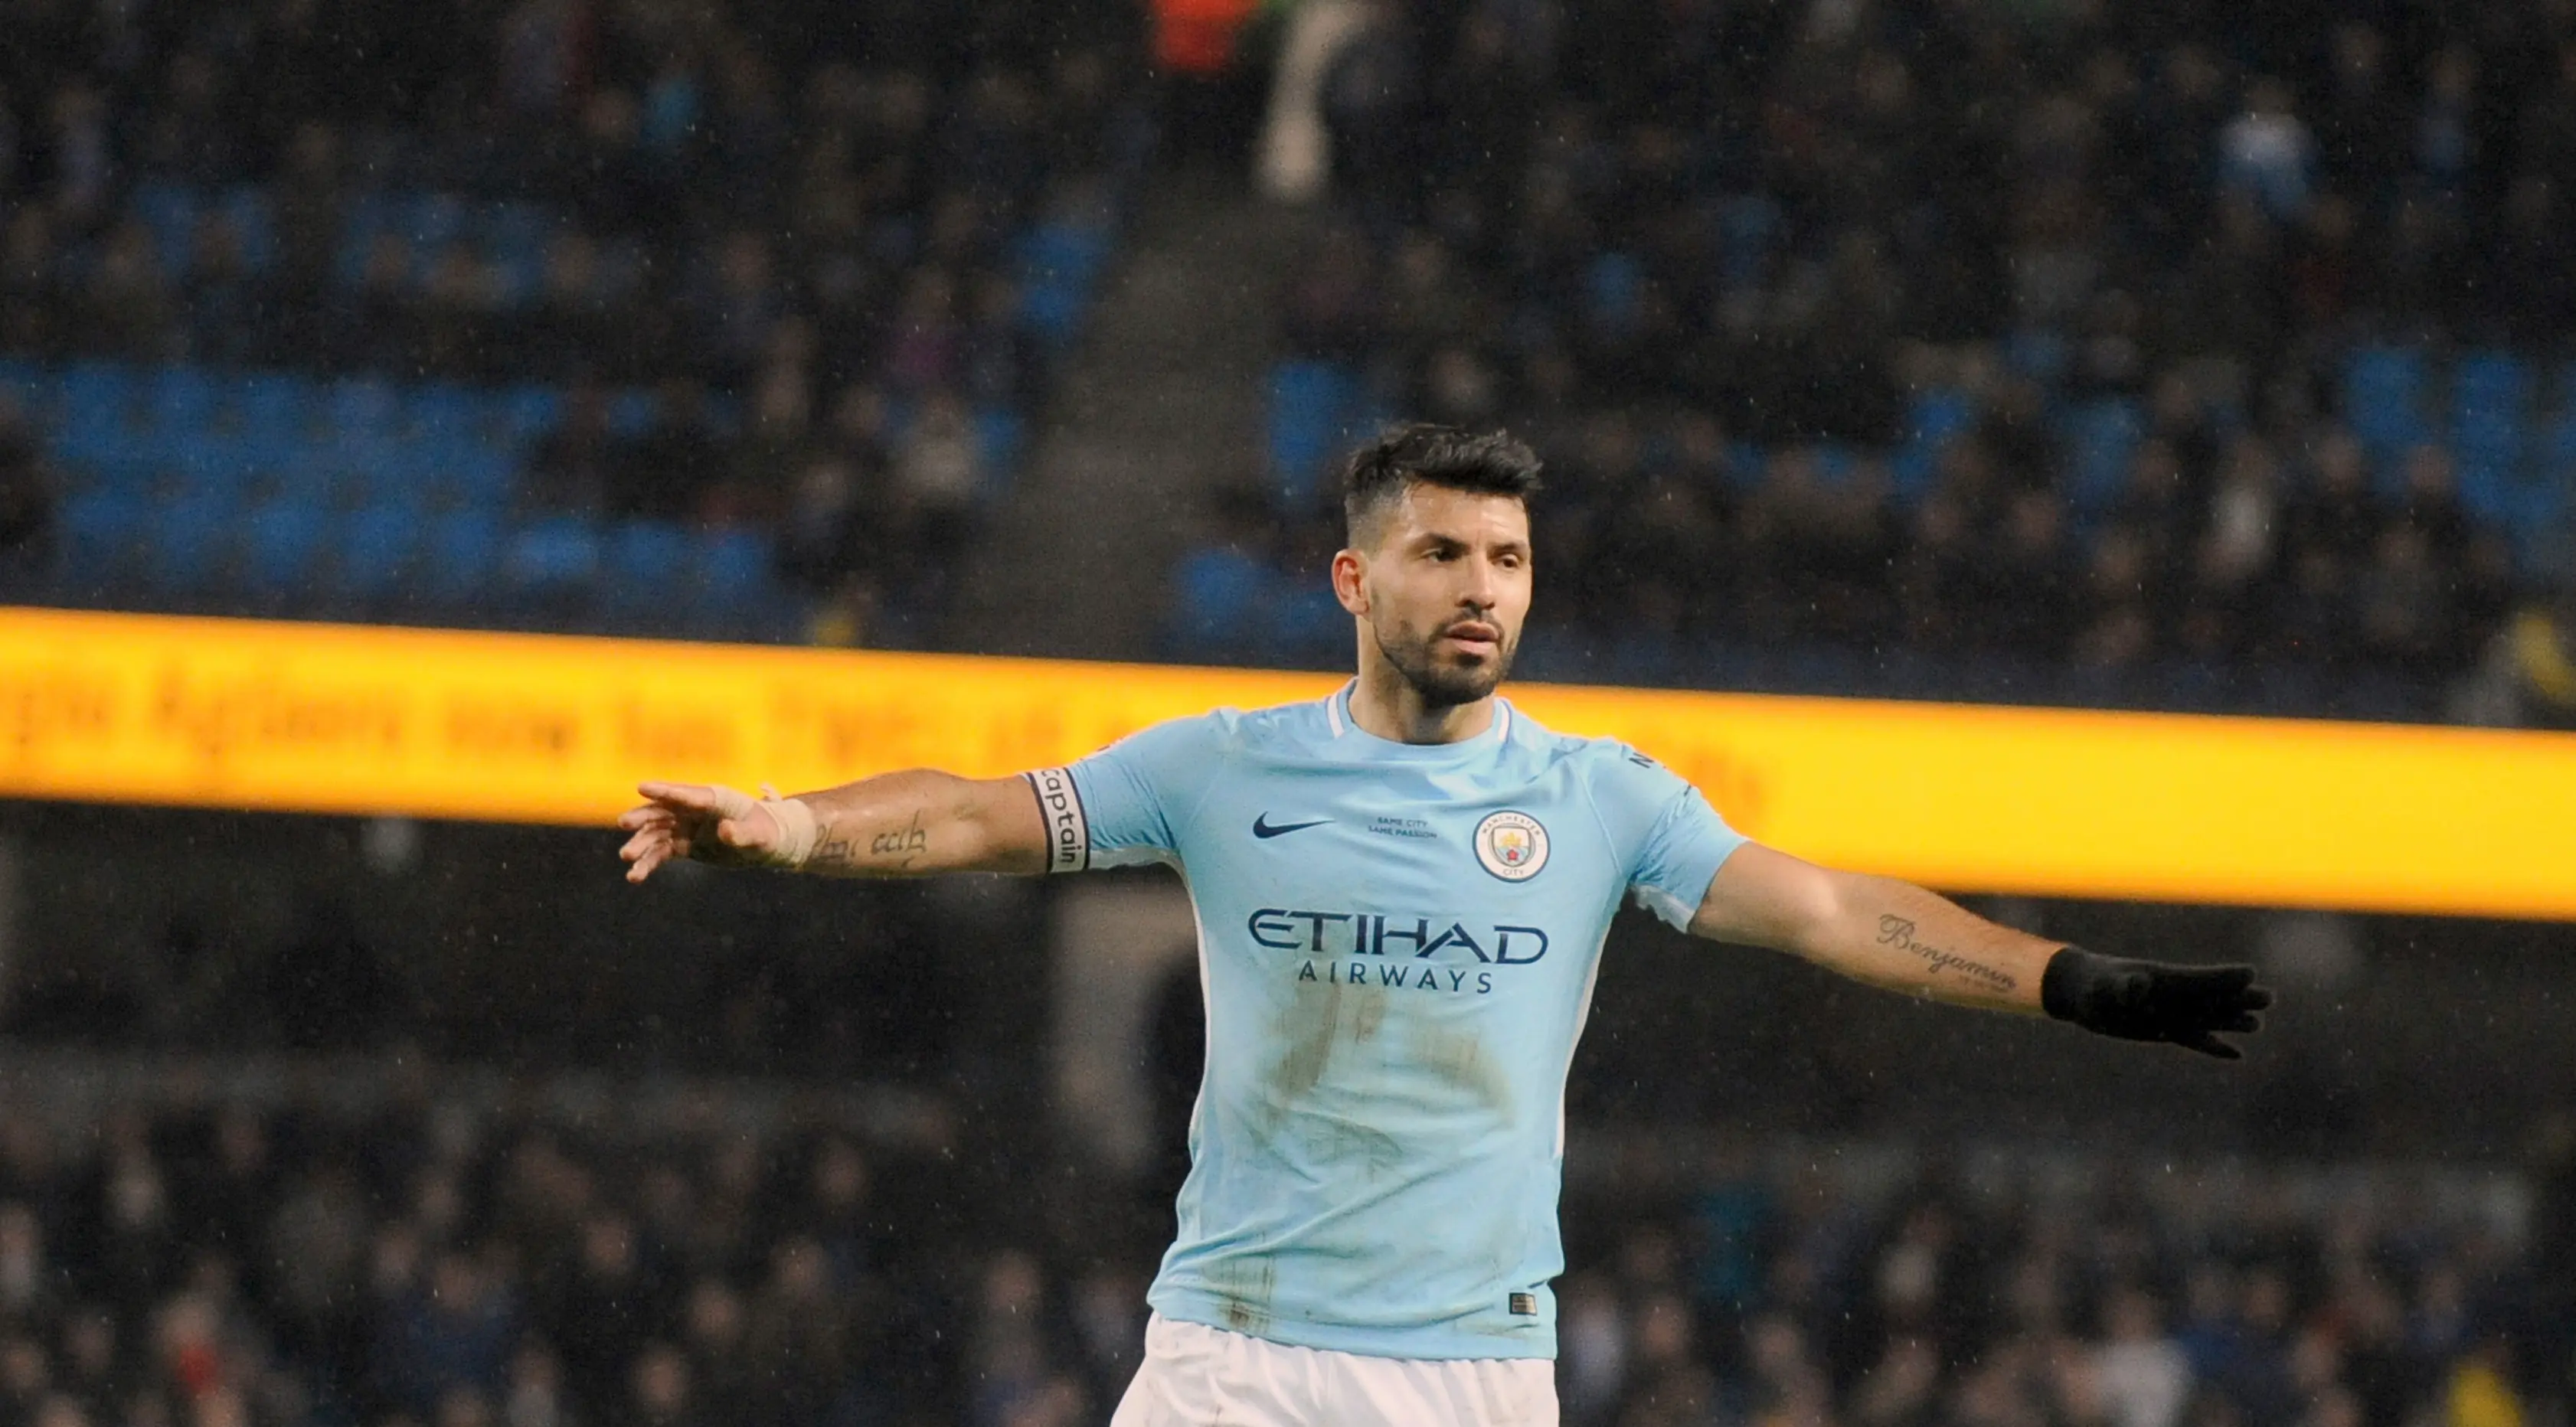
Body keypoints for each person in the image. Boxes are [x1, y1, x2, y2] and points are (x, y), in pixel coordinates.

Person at [616, 424, 2272, 1426]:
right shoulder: (1220, 765)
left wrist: (2070, 979)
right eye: (1440, 551)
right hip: (1238, 1359)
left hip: (1473, 1377)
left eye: (1509, 555)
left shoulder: (1599, 795)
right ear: (1353, 581)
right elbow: (988, 810)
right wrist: (798, 826)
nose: (1482, 583)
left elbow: (1832, 909)